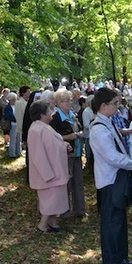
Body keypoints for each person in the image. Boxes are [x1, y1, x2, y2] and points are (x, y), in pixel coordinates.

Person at [89, 87, 132, 264]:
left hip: (116, 178)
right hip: (109, 180)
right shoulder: (98, 129)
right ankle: (113, 259)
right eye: (114, 104)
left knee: (119, 219)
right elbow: (112, 156)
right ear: (103, 106)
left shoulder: (108, 123)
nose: (118, 107)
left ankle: (121, 257)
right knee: (112, 221)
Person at [27, 100, 70, 233]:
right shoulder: (35, 130)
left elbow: (52, 144)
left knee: (57, 198)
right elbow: (38, 155)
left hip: (56, 169)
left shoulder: (45, 126)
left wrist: (64, 145)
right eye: (49, 111)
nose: (52, 113)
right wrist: (47, 174)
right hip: (48, 172)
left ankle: (52, 220)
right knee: (50, 199)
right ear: (41, 115)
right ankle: (43, 224)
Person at [49, 88, 86, 218]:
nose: (69, 103)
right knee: (66, 183)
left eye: (69, 100)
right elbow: (52, 137)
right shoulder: (55, 118)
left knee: (79, 182)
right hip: (64, 155)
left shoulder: (72, 114)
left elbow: (79, 128)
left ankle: (80, 210)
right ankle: (65, 211)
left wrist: (79, 134)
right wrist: (67, 137)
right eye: (65, 101)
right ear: (58, 103)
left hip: (76, 153)